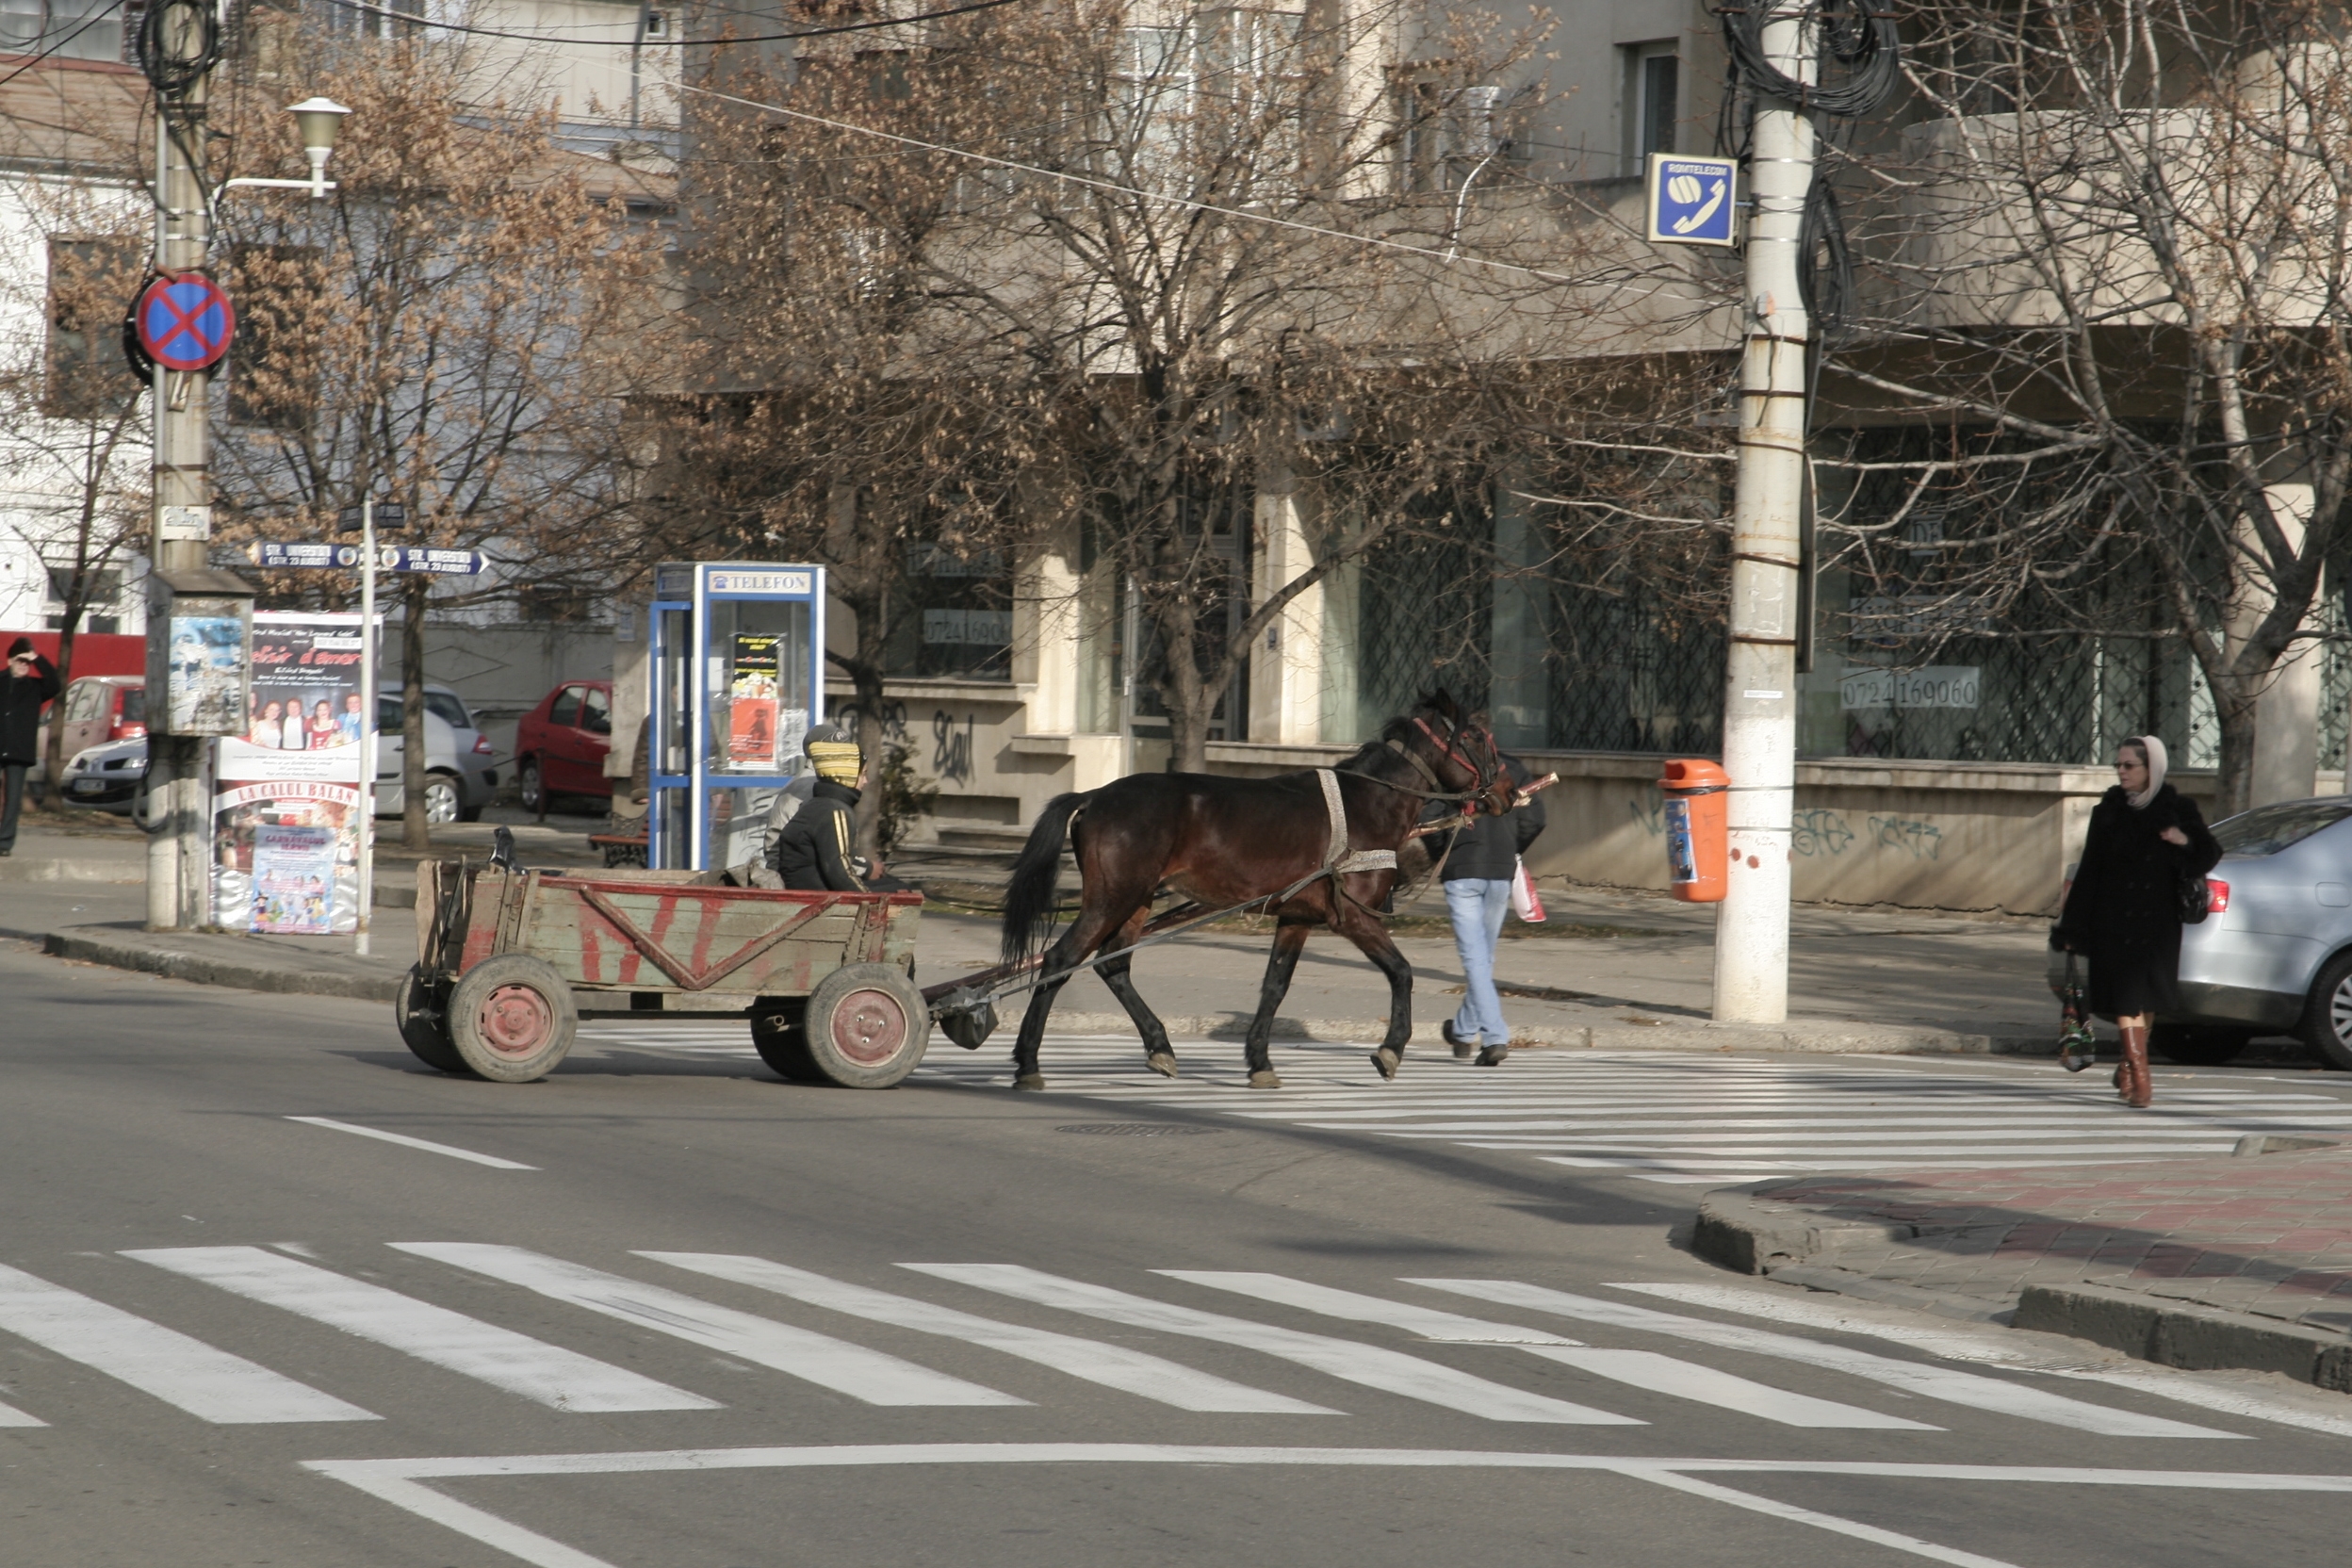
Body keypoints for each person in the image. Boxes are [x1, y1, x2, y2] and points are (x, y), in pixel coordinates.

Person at [2050, 736, 2221, 1108]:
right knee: (2127, 998)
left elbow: (2208, 854)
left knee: (2148, 1000)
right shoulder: (2108, 812)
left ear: (2151, 768)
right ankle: (2141, 1076)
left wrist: (2183, 840)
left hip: (2158, 925)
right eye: (2118, 765)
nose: (2122, 771)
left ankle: (2127, 1066)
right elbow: (2090, 870)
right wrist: (2072, 927)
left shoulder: (2178, 809)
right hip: (2113, 922)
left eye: (2129, 765)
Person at [1429, 715, 1546, 1068]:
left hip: (1462, 871)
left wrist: (1443, 857)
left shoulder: (1452, 771)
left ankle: (1495, 1036)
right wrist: (1512, 849)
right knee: (1483, 958)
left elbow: (1431, 820)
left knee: (1475, 959)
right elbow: (1535, 819)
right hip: (1499, 872)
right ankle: (1463, 1031)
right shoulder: (1514, 769)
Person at [771, 732, 871, 891]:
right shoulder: (834, 810)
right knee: (897, 889)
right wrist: (870, 899)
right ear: (848, 774)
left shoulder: (821, 803)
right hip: (814, 895)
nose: (866, 781)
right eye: (863, 774)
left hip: (804, 889)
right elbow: (839, 871)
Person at [0, 638, 62, 857]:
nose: (23, 665)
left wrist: (36, 658)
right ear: (10, 661)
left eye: (27, 662)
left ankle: (4, 843)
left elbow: (55, 684)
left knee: (13, 799)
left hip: (19, 751)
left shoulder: (35, 687)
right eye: (20, 660)